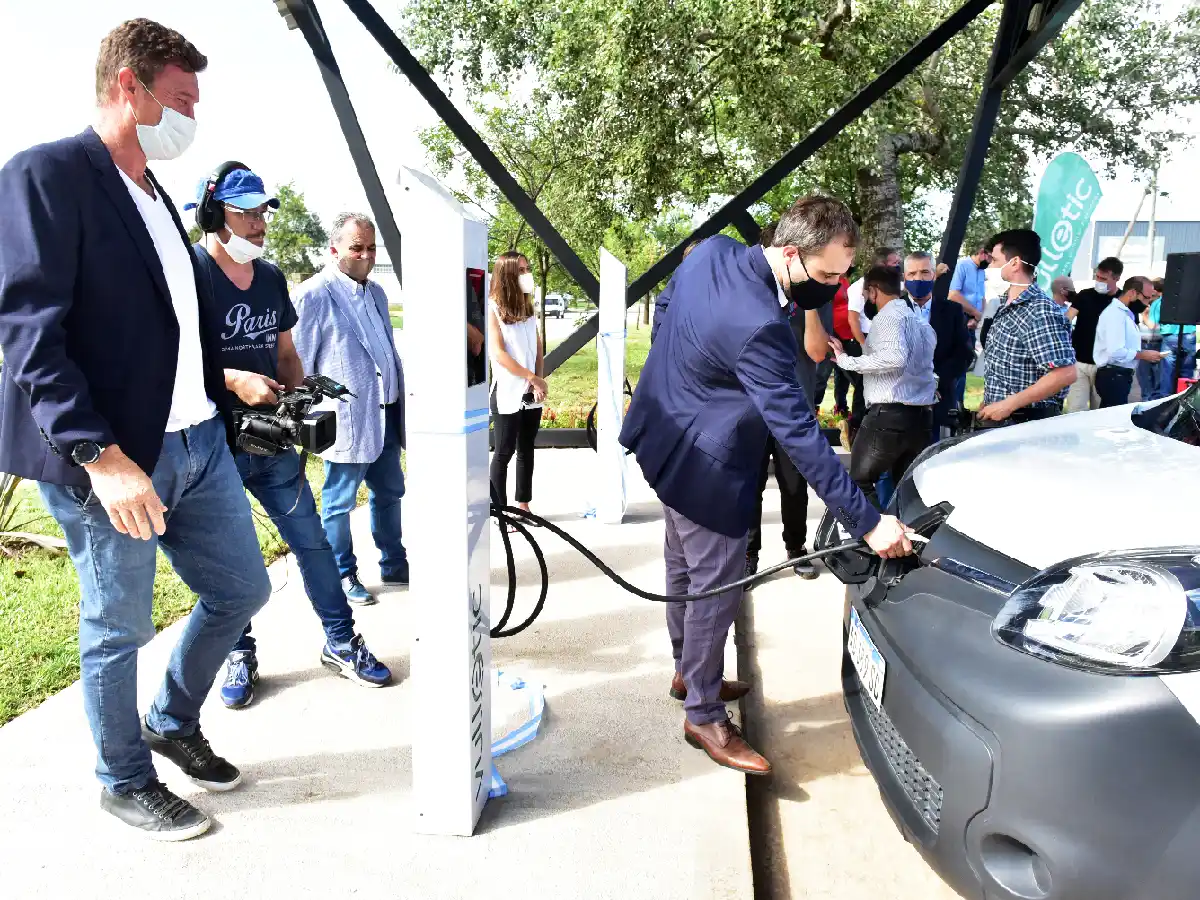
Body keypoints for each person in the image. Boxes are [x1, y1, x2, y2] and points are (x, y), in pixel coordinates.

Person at [0, 19, 272, 840]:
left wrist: (222, 387)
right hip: (116, 459)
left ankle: (170, 718)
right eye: (181, 98)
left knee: (241, 591)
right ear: (130, 85)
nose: (191, 116)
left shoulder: (155, 196)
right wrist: (95, 453)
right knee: (116, 625)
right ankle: (123, 777)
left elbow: (169, 327)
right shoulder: (47, 174)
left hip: (197, 442)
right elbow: (25, 327)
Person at [620, 195, 913, 776]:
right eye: (827, 274)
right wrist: (871, 521)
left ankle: (689, 670)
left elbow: (672, 307)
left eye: (844, 274)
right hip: (707, 466)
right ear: (788, 252)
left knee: (682, 567)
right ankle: (702, 713)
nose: (835, 286)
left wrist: (686, 379)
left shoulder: (713, 253)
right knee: (716, 587)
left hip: (662, 436)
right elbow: (802, 438)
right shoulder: (757, 326)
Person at [189, 165, 391, 706]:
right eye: (246, 213)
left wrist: (300, 401)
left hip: (273, 440)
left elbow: (285, 353)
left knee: (313, 543)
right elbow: (173, 362)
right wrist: (233, 379)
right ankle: (240, 652)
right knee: (232, 561)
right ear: (214, 215)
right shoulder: (189, 275)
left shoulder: (273, 278)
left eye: (262, 213)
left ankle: (342, 641)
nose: (259, 224)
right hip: (214, 447)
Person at [292, 213, 409, 605]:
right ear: (334, 249)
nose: (366, 255)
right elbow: (299, 365)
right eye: (357, 247)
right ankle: (343, 574)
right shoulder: (313, 295)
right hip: (346, 422)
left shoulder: (376, 293)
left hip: (386, 413)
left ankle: (394, 562)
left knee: (390, 492)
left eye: (371, 247)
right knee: (339, 502)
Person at [745, 223, 831, 584]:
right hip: (752, 408)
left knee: (794, 485)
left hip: (794, 409)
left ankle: (796, 549)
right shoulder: (750, 295)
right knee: (748, 485)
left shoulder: (813, 298)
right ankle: (748, 553)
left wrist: (808, 304)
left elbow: (816, 351)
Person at [831, 266, 936, 509]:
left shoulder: (887, 317)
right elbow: (923, 365)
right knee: (907, 490)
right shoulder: (918, 321)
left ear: (874, 291)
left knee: (858, 481)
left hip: (888, 416)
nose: (866, 300)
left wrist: (845, 360)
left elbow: (894, 358)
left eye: (867, 294)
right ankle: (909, 541)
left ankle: (878, 541)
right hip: (920, 416)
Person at [976, 230, 1077, 427]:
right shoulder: (1005, 304)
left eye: (995, 261)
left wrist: (1008, 404)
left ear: (1014, 263)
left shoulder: (1039, 310)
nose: (989, 267)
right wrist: (991, 400)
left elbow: (1065, 373)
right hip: (1004, 423)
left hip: (1028, 426)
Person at [488, 251, 546, 515]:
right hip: (508, 391)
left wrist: (538, 380)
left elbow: (538, 345)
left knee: (526, 450)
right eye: (521, 270)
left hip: (530, 390)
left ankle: (523, 506)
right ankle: (501, 511)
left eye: (527, 268)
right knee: (503, 453)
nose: (526, 274)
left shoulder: (528, 306)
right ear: (508, 275)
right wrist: (530, 377)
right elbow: (499, 354)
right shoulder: (493, 308)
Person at [905, 252, 974, 442]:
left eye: (924, 272)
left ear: (934, 275)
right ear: (904, 277)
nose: (918, 278)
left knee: (933, 457)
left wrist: (935, 380)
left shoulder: (953, 311)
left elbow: (964, 353)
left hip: (939, 400)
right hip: (899, 405)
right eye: (912, 274)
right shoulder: (892, 310)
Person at [843, 247, 899, 440]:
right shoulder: (860, 287)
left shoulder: (893, 288)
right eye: (894, 262)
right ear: (882, 264)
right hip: (865, 339)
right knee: (863, 385)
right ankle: (856, 427)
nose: (898, 266)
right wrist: (864, 345)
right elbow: (853, 319)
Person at [1094, 276, 1168, 408]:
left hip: (1117, 375)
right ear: (1133, 293)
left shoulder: (1123, 313)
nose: (1148, 303)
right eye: (1146, 298)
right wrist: (1143, 354)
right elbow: (1115, 351)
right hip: (1113, 375)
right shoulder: (1115, 314)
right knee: (1112, 421)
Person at [1065, 257, 1124, 413]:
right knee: (1075, 410)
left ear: (1117, 278)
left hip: (1106, 366)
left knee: (1101, 413)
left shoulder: (1123, 301)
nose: (1099, 281)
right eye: (1097, 277)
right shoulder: (1084, 295)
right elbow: (1066, 319)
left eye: (1104, 278)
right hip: (1079, 362)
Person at [1155, 277, 1198, 397]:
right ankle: (1185, 397)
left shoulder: (1160, 301)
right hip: (1189, 335)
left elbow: (1154, 323)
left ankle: (1165, 400)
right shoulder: (1189, 300)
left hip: (1169, 337)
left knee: (1167, 372)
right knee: (1187, 371)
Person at [948, 241, 992, 330]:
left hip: (973, 320)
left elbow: (982, 297)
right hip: (958, 317)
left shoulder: (982, 271)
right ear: (982, 253)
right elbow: (953, 295)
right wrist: (976, 313)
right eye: (990, 257)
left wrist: (977, 319)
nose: (991, 261)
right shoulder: (961, 265)